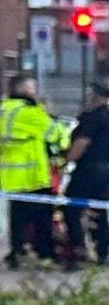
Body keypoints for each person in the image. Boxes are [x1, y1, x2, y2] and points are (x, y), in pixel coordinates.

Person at [59, 87, 109, 266]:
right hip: (104, 170)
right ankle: (102, 252)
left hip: (87, 170)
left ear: (97, 97)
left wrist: (66, 161)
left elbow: (82, 142)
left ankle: (77, 250)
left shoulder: (91, 118)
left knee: (71, 209)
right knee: (100, 211)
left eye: (91, 95)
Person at [0, 73, 57, 266]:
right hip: (34, 174)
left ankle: (17, 252)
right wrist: (45, 112)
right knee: (43, 217)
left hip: (11, 175)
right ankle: (45, 254)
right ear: (23, 90)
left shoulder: (3, 109)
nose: (35, 92)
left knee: (17, 217)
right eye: (32, 88)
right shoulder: (30, 112)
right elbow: (56, 134)